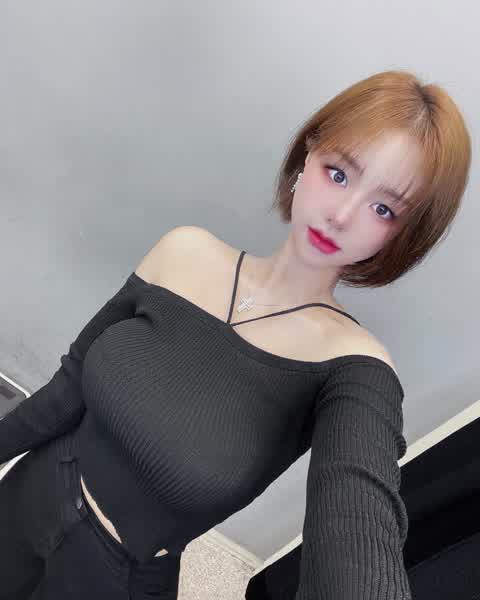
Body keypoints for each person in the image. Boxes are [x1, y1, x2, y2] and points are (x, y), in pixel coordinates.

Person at [0, 69, 471, 599]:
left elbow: (358, 523)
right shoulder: (184, 251)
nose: (341, 215)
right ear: (308, 155)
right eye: (338, 173)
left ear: (402, 236)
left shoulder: (355, 371)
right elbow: (65, 392)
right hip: (24, 497)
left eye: (383, 209)